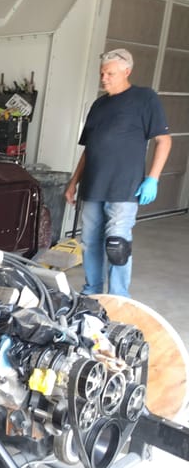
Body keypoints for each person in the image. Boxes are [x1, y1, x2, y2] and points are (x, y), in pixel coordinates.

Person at [64, 48, 171, 297]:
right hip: (93, 186)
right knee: (90, 243)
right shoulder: (98, 105)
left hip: (124, 187)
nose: (104, 78)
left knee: (117, 244)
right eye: (102, 73)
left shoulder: (145, 98)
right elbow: (89, 149)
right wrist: (73, 182)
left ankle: (119, 297)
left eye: (110, 73)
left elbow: (164, 141)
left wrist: (153, 178)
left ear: (127, 71)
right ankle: (92, 291)